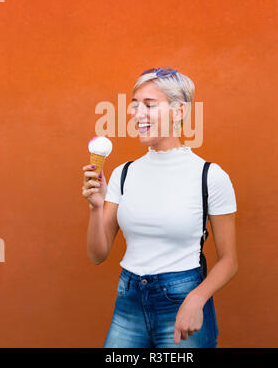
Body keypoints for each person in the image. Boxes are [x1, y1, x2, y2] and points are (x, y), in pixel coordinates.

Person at [82, 68, 238, 348]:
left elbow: (229, 261)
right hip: (128, 299)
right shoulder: (123, 173)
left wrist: (196, 299)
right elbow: (97, 254)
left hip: (182, 298)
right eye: (134, 104)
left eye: (149, 105)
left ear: (179, 112)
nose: (136, 113)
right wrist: (95, 207)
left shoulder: (210, 176)